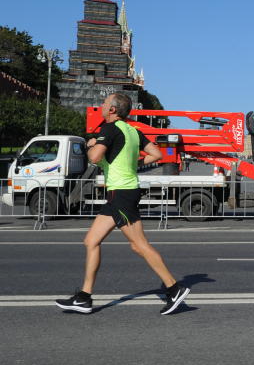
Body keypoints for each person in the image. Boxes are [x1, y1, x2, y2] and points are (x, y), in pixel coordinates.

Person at [55, 93, 190, 315]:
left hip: (121, 194)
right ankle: (84, 297)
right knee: (91, 241)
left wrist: (91, 145)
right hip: (121, 193)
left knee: (139, 245)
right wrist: (131, 164)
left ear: (113, 110)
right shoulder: (133, 131)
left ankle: (175, 288)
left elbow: (95, 158)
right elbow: (156, 154)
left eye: (105, 103)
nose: (101, 105)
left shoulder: (109, 129)